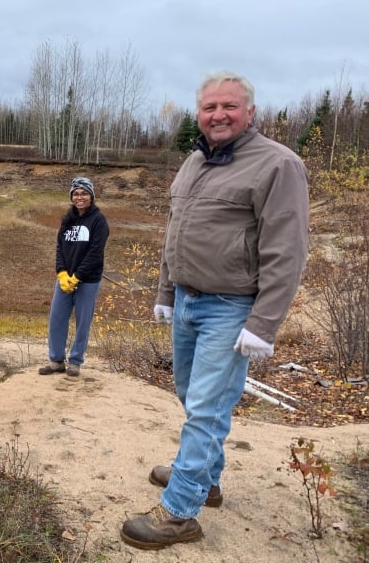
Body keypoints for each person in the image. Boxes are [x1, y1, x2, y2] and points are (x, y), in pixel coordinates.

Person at [120, 71, 309, 549]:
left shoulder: (277, 165)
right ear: (198, 114)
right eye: (209, 108)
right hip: (187, 300)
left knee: (205, 408)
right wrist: (166, 293)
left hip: (230, 308)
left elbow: (287, 251)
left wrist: (263, 324)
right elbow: (175, 233)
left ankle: (181, 511)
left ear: (250, 112)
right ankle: (207, 479)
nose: (218, 115)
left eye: (229, 106)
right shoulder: (193, 162)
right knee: (191, 395)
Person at [39, 177, 109, 377]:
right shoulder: (67, 219)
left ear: (91, 196)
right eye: (76, 193)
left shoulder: (98, 220)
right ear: (71, 197)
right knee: (56, 318)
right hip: (64, 280)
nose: (80, 197)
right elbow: (60, 247)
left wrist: (77, 276)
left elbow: (95, 253)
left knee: (82, 322)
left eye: (84, 193)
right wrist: (61, 273)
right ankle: (56, 360)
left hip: (87, 280)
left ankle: (75, 361)